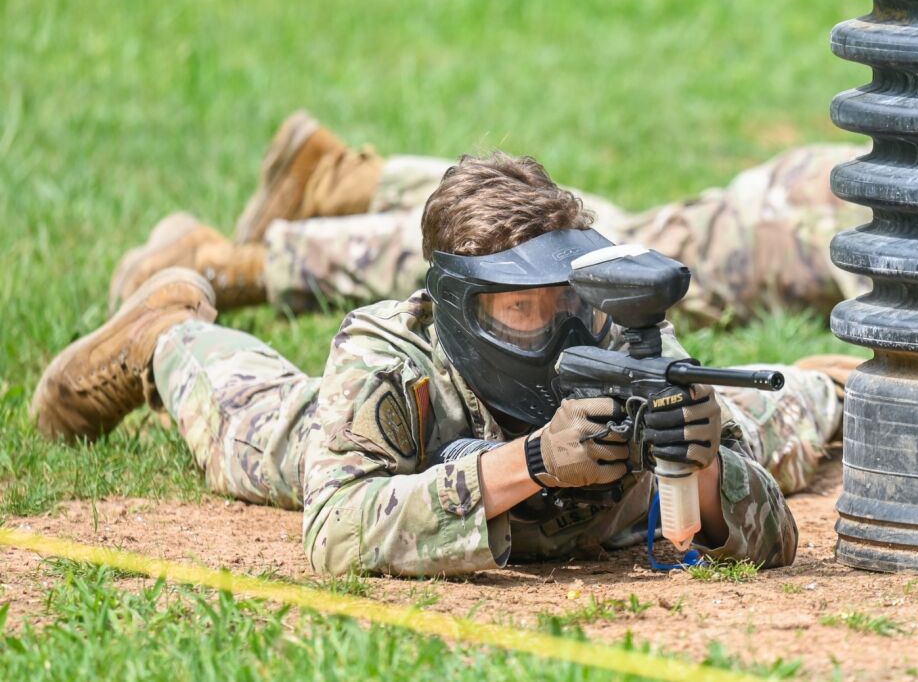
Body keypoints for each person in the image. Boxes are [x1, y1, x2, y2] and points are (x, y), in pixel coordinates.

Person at [31, 148, 862, 577]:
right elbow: (335, 532)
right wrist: (531, 463)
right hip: (402, 450)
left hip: (585, 497)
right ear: (461, 305)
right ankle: (166, 333)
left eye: (560, 296)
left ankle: (827, 381)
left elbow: (767, 531)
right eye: (519, 306)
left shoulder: (619, 334)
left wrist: (705, 467)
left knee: (755, 423)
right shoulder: (391, 353)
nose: (551, 325)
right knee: (255, 427)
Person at [104, 111, 870, 325]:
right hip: (798, 227)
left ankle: (344, 182)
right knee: (540, 266)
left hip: (815, 189)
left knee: (583, 237)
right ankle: (229, 266)